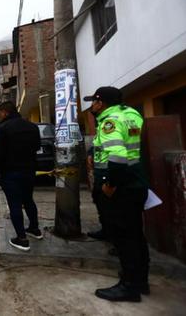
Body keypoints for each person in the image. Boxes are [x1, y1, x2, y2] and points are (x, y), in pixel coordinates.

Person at [84, 86, 149, 302]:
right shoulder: (131, 115)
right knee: (135, 235)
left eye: (93, 101)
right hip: (136, 182)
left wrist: (110, 184)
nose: (91, 105)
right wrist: (93, 152)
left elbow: (118, 156)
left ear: (100, 103)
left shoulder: (109, 121)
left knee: (124, 238)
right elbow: (129, 147)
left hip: (120, 187)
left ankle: (129, 287)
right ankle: (140, 281)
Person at [0, 101, 42, 252]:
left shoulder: (2, 128)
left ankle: (22, 239)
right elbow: (37, 146)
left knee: (14, 205)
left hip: (10, 173)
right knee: (28, 200)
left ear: (5, 112)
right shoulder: (31, 126)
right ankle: (34, 229)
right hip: (29, 172)